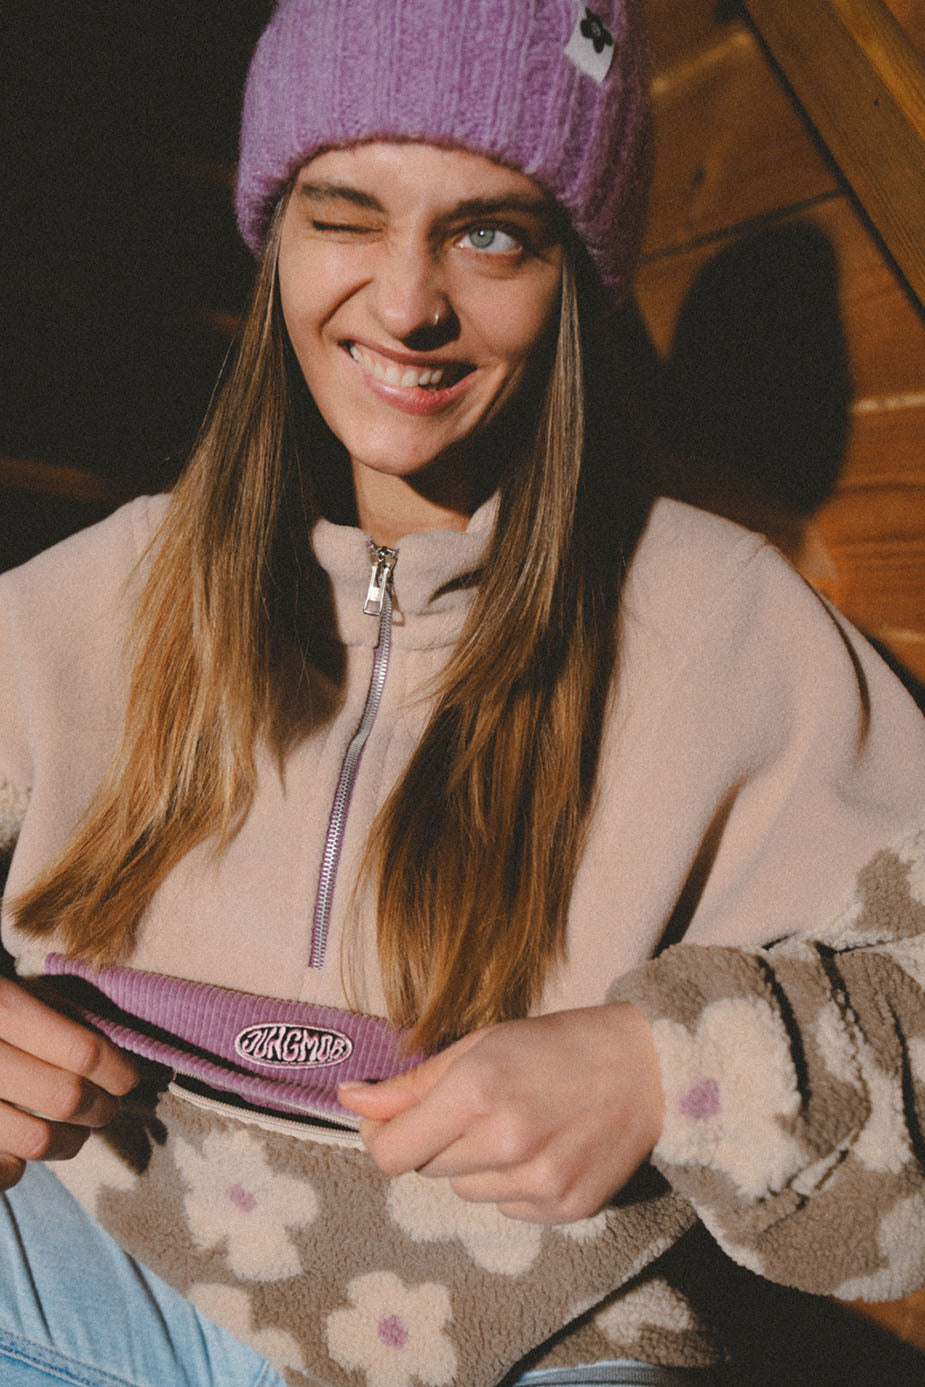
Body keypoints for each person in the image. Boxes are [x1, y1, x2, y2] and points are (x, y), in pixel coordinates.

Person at [1, 2, 925, 1385]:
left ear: (575, 277)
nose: (405, 304)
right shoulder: (99, 592)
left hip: (542, 1342)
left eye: (490, 234)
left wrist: (665, 1067)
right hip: (96, 1268)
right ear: (276, 237)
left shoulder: (733, 624)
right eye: (345, 215)